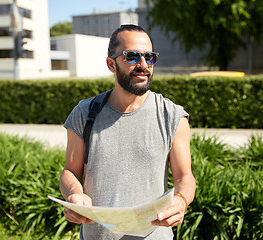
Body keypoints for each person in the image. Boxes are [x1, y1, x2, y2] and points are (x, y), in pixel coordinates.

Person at [60, 24, 196, 239]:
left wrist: (181, 200)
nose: (143, 65)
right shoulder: (84, 113)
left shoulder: (173, 115)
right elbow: (70, 172)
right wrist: (74, 195)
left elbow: (184, 176)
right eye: (132, 56)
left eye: (149, 57)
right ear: (111, 64)